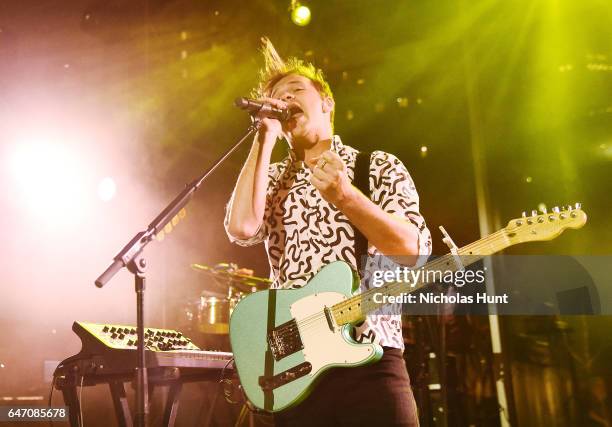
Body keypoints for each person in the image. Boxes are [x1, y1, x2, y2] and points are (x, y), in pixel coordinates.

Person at [224, 38, 432, 427]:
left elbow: (412, 251)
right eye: (274, 97)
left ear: (327, 103)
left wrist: (346, 197)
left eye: (295, 90)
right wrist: (264, 137)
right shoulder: (269, 179)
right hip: (294, 371)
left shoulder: (376, 166)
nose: (282, 99)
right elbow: (241, 228)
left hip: (370, 357)